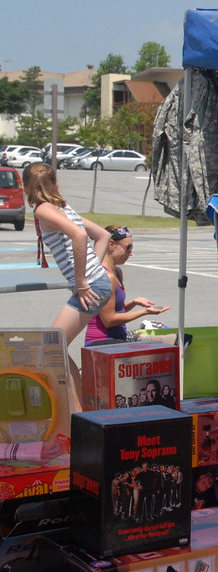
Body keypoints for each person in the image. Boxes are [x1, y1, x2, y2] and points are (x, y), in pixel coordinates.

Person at [23, 162, 112, 410]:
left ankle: (77, 413)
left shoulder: (44, 209)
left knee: (52, 346)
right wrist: (92, 271)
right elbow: (103, 235)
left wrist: (82, 280)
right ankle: (79, 409)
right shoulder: (63, 207)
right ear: (55, 184)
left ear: (26, 187)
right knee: (57, 347)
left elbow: (80, 235)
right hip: (97, 282)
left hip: (91, 285)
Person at [85, 225, 170, 345]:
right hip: (102, 342)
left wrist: (133, 302)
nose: (130, 253)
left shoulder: (117, 272)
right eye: (128, 248)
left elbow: (114, 310)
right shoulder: (105, 277)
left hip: (117, 338)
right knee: (163, 344)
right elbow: (109, 320)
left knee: (166, 340)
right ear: (111, 245)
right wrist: (144, 312)